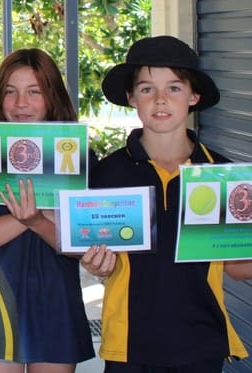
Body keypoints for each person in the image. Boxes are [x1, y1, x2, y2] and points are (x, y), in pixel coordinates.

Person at [81, 35, 252, 372]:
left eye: (174, 88)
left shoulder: (221, 175)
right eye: (147, 89)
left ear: (194, 96)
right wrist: (96, 264)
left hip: (201, 341)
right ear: (131, 97)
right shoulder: (106, 174)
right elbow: (96, 252)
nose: (160, 99)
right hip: (129, 344)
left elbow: (235, 265)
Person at [0, 48, 95, 372]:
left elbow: (80, 247)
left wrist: (36, 219)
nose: (21, 103)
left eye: (34, 92)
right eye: (10, 92)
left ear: (52, 96)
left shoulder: (76, 157)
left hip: (57, 298)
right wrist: (30, 216)